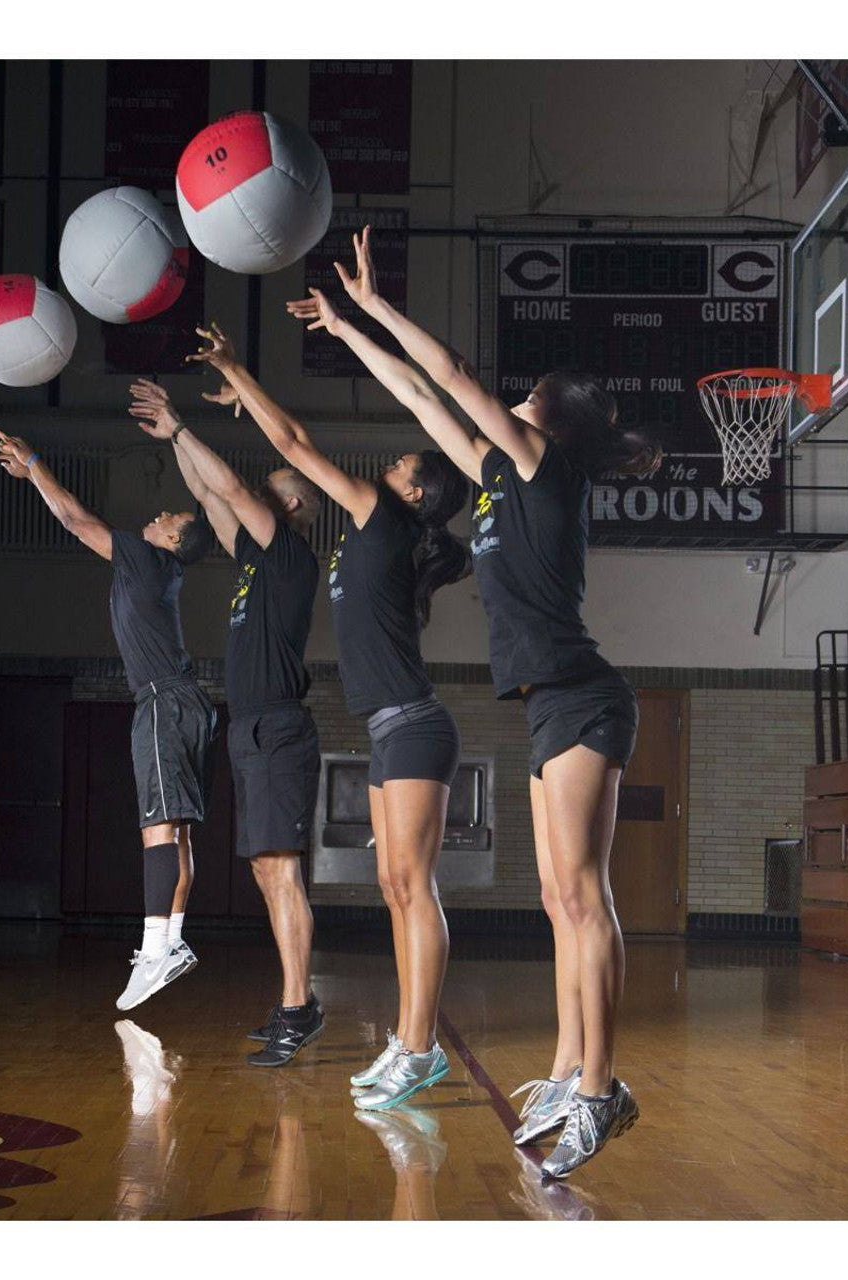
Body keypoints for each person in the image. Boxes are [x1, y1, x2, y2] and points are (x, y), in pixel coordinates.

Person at [292, 227, 660, 1176]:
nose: (512, 396)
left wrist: (377, 304)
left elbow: (451, 373)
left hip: (584, 697)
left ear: (549, 420)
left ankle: (600, 1091)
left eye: (529, 392)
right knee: (554, 897)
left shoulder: (548, 466)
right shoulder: (501, 477)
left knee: (583, 898)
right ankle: (568, 1070)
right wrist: (345, 332)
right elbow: (423, 392)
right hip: (548, 705)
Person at [186, 321, 471, 1112]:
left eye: (404, 462)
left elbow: (293, 436)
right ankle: (408, 1044)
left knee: (414, 888)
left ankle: (420, 1047)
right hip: (388, 732)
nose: (391, 462)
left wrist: (239, 368)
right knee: (392, 885)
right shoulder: (373, 535)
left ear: (414, 493)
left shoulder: (383, 518)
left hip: (415, 726)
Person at [127, 377, 326, 1067]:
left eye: (272, 489)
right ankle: (293, 999)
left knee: (280, 871)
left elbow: (233, 491)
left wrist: (183, 426)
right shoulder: (253, 560)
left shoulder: (290, 555)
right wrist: (172, 441)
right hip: (250, 731)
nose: (256, 495)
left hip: (277, 728)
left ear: (293, 506)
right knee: (268, 876)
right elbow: (215, 497)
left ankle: (300, 1008)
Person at [0, 427, 216, 1012]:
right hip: (184, 701)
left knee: (158, 830)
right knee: (178, 830)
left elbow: (74, 519)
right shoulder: (160, 572)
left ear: (172, 538)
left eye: (172, 515)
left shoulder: (145, 560)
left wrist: (35, 459)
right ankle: (170, 941)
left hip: (164, 702)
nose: (161, 511)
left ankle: (155, 948)